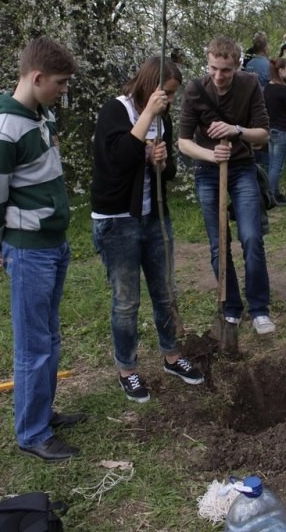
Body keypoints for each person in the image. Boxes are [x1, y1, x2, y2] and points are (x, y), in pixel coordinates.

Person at [0, 37, 82, 461]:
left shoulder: (42, 115)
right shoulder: (3, 133)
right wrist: (3, 247)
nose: (63, 89)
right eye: (59, 82)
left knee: (50, 337)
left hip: (54, 245)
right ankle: (32, 433)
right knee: (33, 345)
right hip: (29, 252)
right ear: (36, 78)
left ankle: (43, 411)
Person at [91, 57, 203, 403]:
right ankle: (128, 369)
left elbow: (163, 176)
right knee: (126, 301)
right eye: (166, 93)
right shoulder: (116, 110)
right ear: (149, 86)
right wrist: (146, 120)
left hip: (154, 217)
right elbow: (118, 161)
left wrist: (162, 162)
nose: (169, 101)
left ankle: (172, 356)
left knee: (165, 291)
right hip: (117, 220)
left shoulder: (162, 118)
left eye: (172, 95)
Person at [178, 35, 276, 335]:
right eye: (213, 68)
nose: (219, 76)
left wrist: (236, 130)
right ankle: (231, 308)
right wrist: (211, 153)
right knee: (219, 244)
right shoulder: (195, 90)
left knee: (251, 237)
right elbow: (182, 142)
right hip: (209, 173)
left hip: (243, 169)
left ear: (237, 66)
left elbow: (263, 135)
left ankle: (259, 309)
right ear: (207, 63)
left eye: (226, 70)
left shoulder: (249, 85)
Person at [263, 57, 286, 205]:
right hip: (282, 130)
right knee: (277, 165)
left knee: (272, 163)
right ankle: (271, 195)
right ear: (280, 70)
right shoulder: (284, 90)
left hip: (270, 129)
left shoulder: (268, 88)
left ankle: (273, 191)